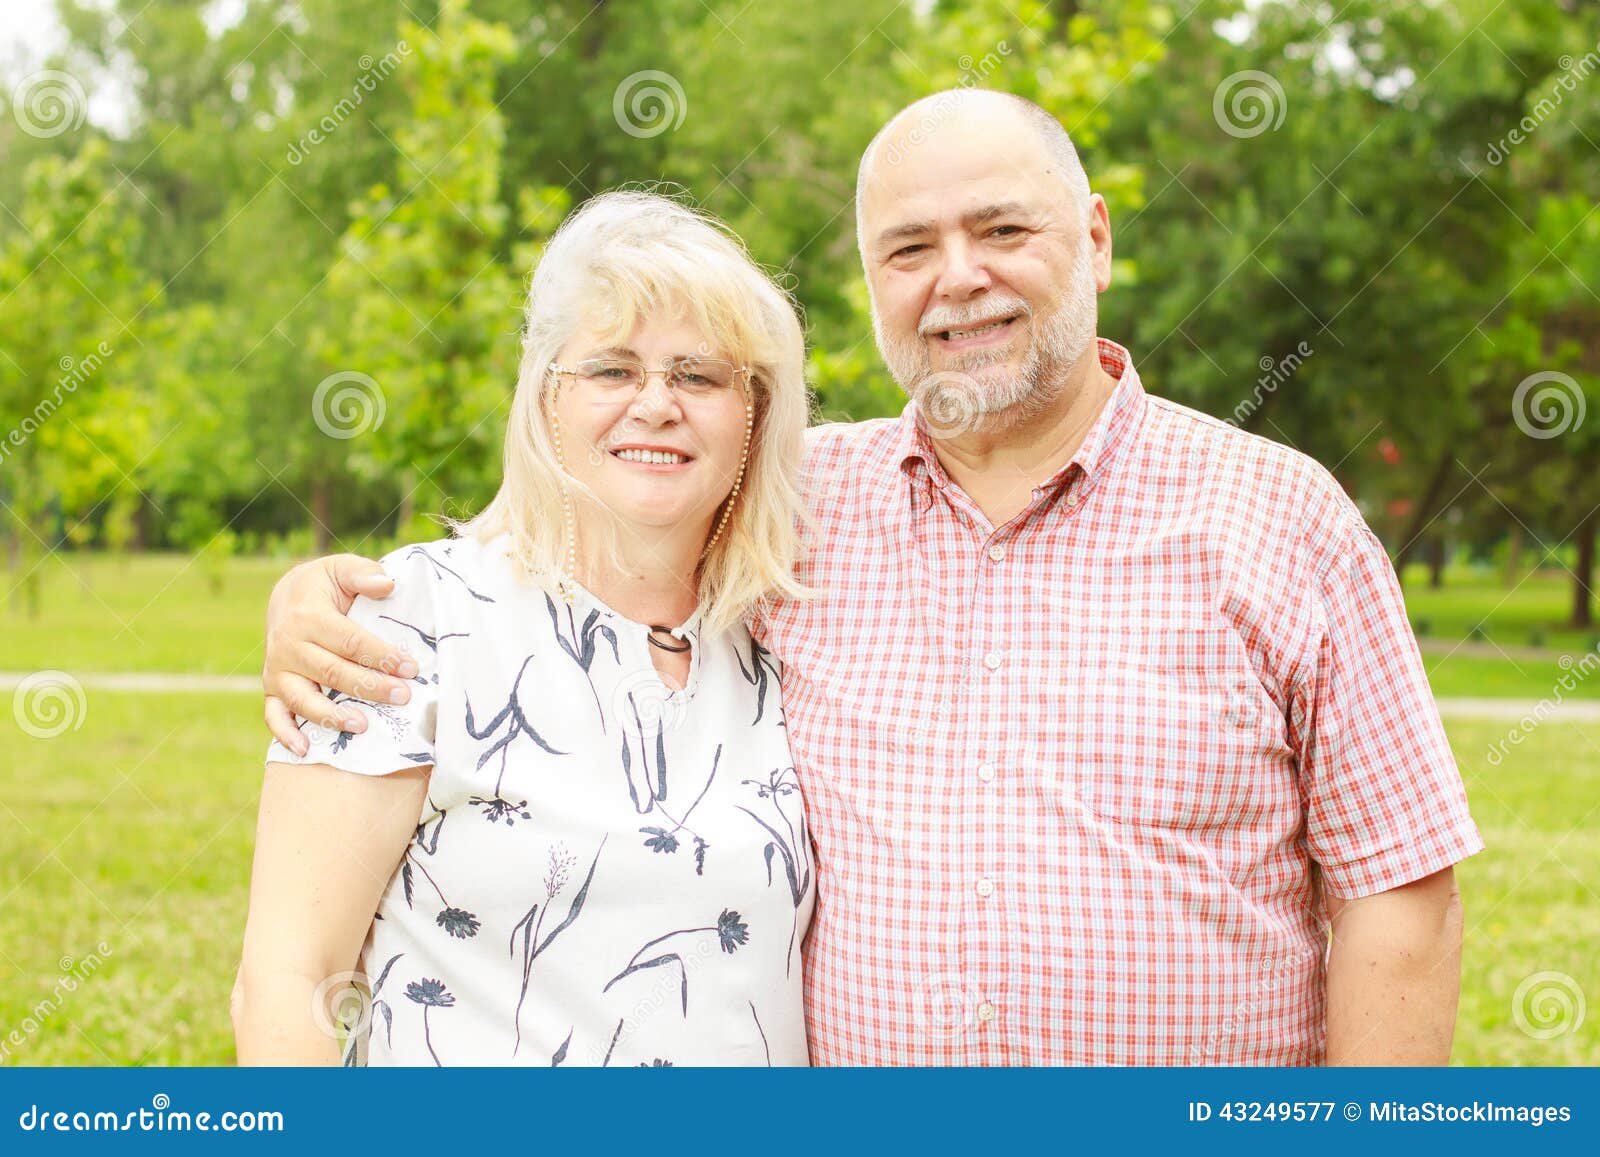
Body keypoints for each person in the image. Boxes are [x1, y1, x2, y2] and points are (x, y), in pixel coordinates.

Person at [258, 89, 1483, 1065]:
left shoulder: (1279, 516)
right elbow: (587, 531)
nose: (959, 277)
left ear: (1096, 237)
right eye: (910, 247)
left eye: (1003, 229)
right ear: (870, 278)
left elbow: (1399, 894)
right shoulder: (802, 508)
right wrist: (315, 599)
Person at [232, 191, 816, 1066]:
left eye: (697, 375)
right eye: (612, 369)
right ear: (546, 401)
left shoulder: (778, 642)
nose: (656, 403)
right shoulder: (413, 620)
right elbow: (286, 978)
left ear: (754, 416)